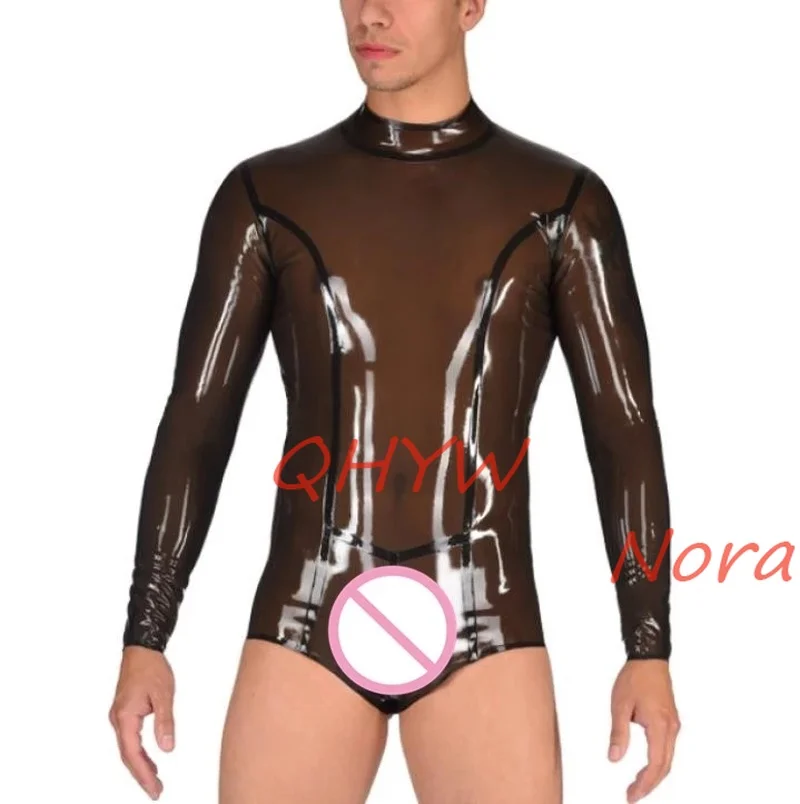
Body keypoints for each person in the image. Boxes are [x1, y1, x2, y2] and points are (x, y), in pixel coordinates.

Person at [108, 1, 681, 802]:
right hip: (306, 615)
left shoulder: (561, 204)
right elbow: (197, 422)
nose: (371, 13)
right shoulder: (267, 195)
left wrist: (647, 645)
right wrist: (146, 635)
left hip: (485, 621)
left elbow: (623, 433)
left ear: (471, 5)